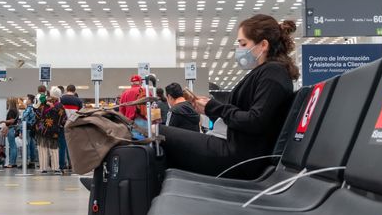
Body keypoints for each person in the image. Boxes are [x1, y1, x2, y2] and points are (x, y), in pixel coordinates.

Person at [159, 14, 299, 177]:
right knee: (157, 135)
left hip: (239, 156)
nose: (239, 49)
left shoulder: (273, 73)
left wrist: (213, 107)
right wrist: (210, 109)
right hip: (236, 149)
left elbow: (255, 121)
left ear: (263, 45)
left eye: (243, 43)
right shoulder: (268, 72)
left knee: (158, 134)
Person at [35, 87, 67, 175]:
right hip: (54, 130)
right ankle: (55, 168)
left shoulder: (44, 103)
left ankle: (43, 168)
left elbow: (37, 114)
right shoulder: (60, 106)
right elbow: (63, 120)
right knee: (54, 149)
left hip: (42, 129)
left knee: (43, 148)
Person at [60, 84, 83, 170]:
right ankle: (72, 164)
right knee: (72, 146)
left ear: (67, 89)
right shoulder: (78, 101)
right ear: (74, 90)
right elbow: (81, 114)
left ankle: (62, 165)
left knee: (62, 146)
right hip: (73, 125)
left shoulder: (61, 99)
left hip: (62, 125)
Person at [119, 74, 147, 139]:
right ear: (140, 82)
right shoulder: (145, 91)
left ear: (131, 83)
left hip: (129, 122)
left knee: (132, 141)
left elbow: (121, 110)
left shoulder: (125, 93)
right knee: (145, 141)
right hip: (143, 120)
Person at [0, 98, 20, 168]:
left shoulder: (11, 111)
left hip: (11, 129)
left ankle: (11, 163)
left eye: (8, 102)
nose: (7, 103)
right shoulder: (16, 111)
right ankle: (13, 162)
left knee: (12, 147)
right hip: (13, 129)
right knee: (14, 146)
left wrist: (3, 121)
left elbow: (11, 121)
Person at [21, 94, 38, 168]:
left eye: (27, 99)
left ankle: (26, 162)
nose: (26, 101)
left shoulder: (29, 109)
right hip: (32, 129)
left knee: (26, 146)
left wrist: (21, 130)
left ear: (30, 100)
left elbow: (24, 119)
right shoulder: (34, 108)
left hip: (27, 129)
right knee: (32, 146)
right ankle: (32, 162)